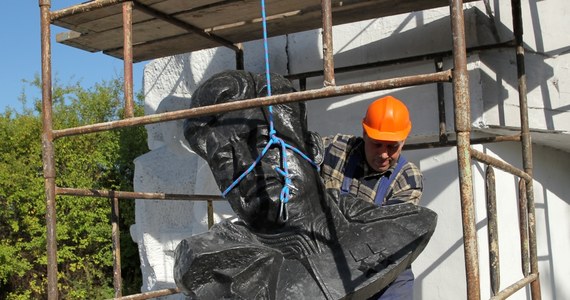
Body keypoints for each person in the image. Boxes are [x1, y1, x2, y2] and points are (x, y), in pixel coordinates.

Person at [173, 70, 436, 299]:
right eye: (223, 162)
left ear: (312, 150)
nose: (246, 166)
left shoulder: (406, 190)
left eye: (264, 143)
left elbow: (385, 234)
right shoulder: (217, 268)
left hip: (377, 266)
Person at [320, 95, 423, 299]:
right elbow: (294, 155)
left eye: (392, 147)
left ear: (403, 141)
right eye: (377, 144)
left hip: (387, 274)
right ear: (364, 133)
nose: (384, 154)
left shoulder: (408, 179)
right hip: (332, 266)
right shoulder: (336, 149)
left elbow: (382, 237)